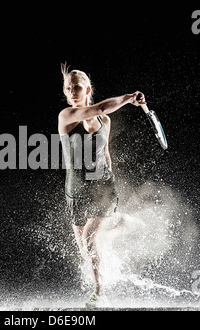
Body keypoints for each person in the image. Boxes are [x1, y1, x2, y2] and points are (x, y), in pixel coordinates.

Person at [58, 64, 146, 305]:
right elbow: (100, 106)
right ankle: (119, 223)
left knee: (89, 238)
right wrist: (128, 98)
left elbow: (105, 153)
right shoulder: (66, 116)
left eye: (76, 87)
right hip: (75, 191)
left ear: (87, 88)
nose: (71, 92)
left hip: (102, 187)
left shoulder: (104, 120)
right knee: (85, 249)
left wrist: (110, 183)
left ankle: (99, 293)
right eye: (68, 88)